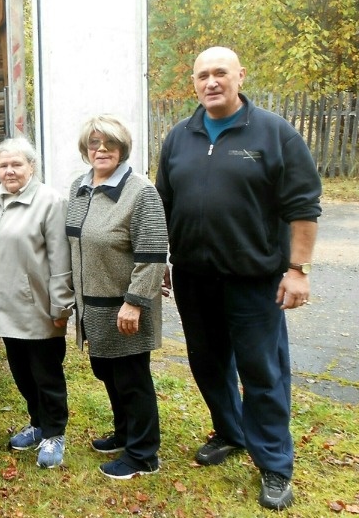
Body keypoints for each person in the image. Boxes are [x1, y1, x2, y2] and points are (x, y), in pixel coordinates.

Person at [156, 46, 322, 511]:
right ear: (193, 82)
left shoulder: (275, 134)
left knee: (262, 371)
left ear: (240, 76)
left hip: (254, 280)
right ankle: (231, 432)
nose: (211, 82)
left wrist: (296, 269)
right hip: (194, 278)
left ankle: (273, 464)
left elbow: (303, 206)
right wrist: (161, 261)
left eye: (220, 73)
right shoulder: (179, 137)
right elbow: (162, 206)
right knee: (208, 364)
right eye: (202, 75)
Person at [65, 115, 167, 479]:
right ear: (85, 149)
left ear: (122, 148)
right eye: (94, 143)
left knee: (132, 379)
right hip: (91, 306)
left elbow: (153, 252)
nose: (101, 149)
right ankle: (125, 433)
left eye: (109, 143)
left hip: (124, 307)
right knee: (106, 372)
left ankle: (143, 454)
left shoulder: (140, 192)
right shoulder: (79, 188)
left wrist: (135, 301)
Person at [0, 137, 74, 468]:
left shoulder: (50, 202)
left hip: (39, 307)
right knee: (22, 373)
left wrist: (61, 306)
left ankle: (55, 433)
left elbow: (60, 259)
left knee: (46, 374)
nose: (9, 171)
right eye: (3, 165)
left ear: (32, 166)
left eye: (17, 164)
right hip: (6, 307)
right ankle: (37, 424)